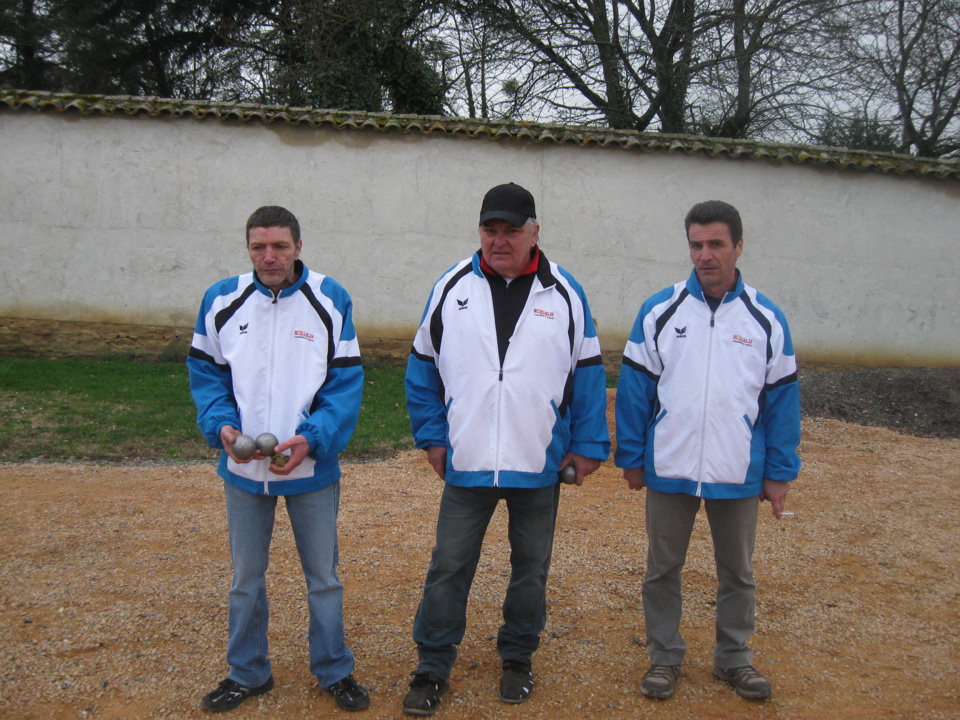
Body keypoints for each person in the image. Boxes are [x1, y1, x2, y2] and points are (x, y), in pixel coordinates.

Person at [402, 183, 610, 715]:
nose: (500, 240)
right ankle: (432, 665)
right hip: (467, 461)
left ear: (535, 232)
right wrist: (432, 436)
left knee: (531, 567)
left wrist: (586, 444)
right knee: (449, 565)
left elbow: (586, 374)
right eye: (490, 230)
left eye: (512, 230)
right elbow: (422, 370)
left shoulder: (564, 293)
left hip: (537, 462)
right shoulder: (451, 287)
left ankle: (518, 656)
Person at [614, 200, 801, 702]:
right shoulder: (660, 311)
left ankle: (734, 658)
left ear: (738, 246)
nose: (705, 255)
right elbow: (635, 391)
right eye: (696, 244)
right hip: (671, 465)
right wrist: (631, 455)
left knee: (737, 571)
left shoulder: (765, 319)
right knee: (662, 568)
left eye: (716, 243)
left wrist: (779, 471)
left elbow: (782, 403)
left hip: (737, 468)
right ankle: (664, 658)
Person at [187, 206, 369, 713]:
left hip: (310, 468)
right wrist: (221, 426)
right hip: (244, 470)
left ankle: (334, 669)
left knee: (324, 579)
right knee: (245, 580)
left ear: (298, 247)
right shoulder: (221, 299)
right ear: (248, 247)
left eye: (280, 247)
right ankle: (247, 672)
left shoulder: (330, 299)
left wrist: (313, 438)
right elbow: (207, 375)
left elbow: (345, 383)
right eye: (258, 246)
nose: (269, 257)